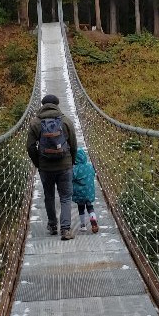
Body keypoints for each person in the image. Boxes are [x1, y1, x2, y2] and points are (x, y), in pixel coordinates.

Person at [27, 94, 78, 240]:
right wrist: (71, 161)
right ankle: (66, 229)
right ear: (57, 104)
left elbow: (30, 146)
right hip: (65, 166)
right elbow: (74, 145)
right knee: (66, 197)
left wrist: (38, 163)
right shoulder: (66, 121)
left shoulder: (35, 123)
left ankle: (52, 225)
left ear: (43, 105)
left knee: (49, 196)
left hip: (45, 167)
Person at [72, 147, 98, 233]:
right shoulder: (89, 166)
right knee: (90, 207)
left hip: (79, 193)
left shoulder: (75, 169)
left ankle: (83, 225)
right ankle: (93, 220)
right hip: (89, 191)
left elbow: (71, 178)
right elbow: (94, 174)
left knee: (81, 208)